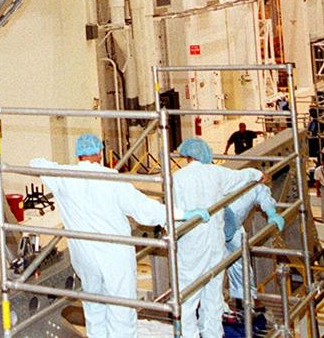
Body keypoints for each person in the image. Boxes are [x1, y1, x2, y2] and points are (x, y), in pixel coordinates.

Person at [30, 134, 202, 338]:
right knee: (121, 309)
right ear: (99, 153)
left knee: (94, 308)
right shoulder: (111, 179)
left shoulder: (63, 177)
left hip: (85, 257)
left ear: (78, 154)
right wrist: (180, 214)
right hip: (114, 255)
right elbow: (144, 209)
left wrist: (60, 167)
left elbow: (36, 163)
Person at [172, 138, 267, 338]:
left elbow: (172, 211)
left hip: (190, 242)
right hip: (215, 241)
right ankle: (212, 334)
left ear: (187, 156)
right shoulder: (216, 173)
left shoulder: (177, 178)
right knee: (213, 294)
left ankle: (187, 335)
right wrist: (258, 174)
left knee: (187, 295)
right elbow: (241, 177)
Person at [222, 182, 285, 309]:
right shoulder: (232, 180)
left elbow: (263, 195)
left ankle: (244, 298)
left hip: (234, 227)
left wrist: (271, 213)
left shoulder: (255, 187)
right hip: (213, 227)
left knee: (241, 262)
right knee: (213, 268)